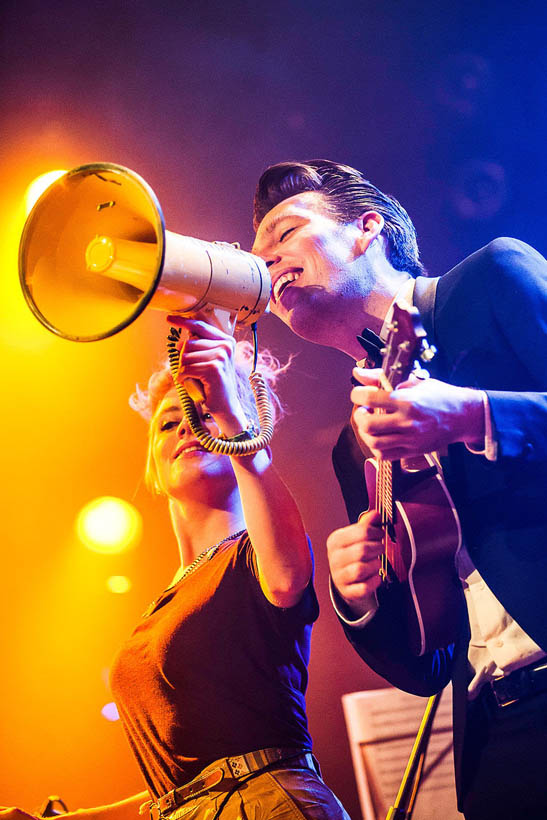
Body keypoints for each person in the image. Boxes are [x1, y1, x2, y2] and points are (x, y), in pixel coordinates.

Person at [251, 159, 547, 819]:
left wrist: (474, 414)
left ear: (366, 228)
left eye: (284, 234)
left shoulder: (492, 277)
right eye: (255, 256)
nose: (265, 263)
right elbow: (426, 665)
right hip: (498, 736)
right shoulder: (354, 444)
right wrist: (358, 595)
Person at [1, 315, 350, 820]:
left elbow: (289, 576)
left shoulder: (252, 557)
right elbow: (181, 789)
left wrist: (233, 416)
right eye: (169, 422)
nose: (188, 425)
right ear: (153, 466)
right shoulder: (163, 603)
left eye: (205, 415)